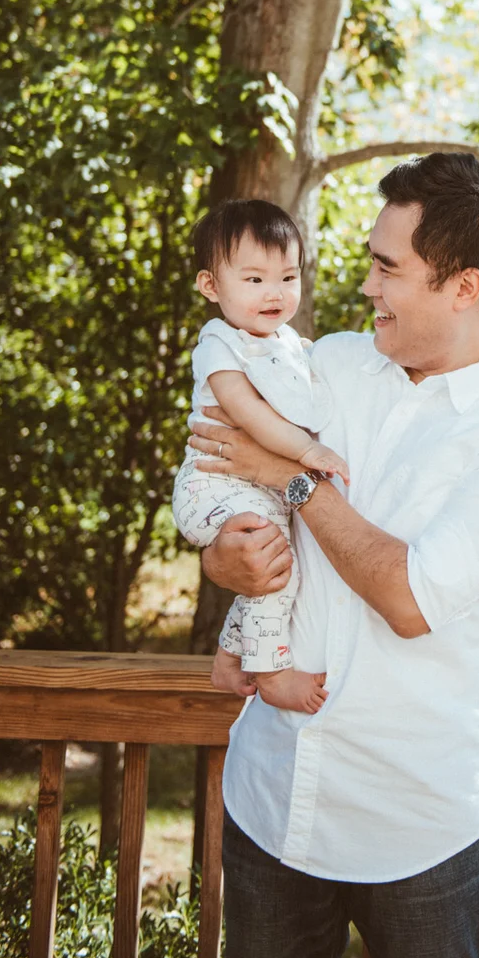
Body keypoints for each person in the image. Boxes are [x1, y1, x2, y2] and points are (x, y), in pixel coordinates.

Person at [189, 154, 479, 958]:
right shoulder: (325, 364)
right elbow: (227, 479)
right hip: (272, 801)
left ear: (464, 287)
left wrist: (293, 479)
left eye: (387, 268)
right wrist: (227, 557)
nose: (366, 285)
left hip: (418, 831)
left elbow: (408, 598)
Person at [173, 198, 349, 714]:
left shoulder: (286, 343)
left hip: (251, 489)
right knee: (281, 567)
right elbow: (246, 412)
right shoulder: (219, 345)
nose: (275, 293)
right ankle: (271, 672)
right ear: (211, 286)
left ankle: (231, 655)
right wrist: (307, 449)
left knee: (268, 568)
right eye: (254, 280)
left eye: (288, 277)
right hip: (213, 483)